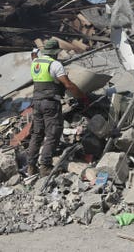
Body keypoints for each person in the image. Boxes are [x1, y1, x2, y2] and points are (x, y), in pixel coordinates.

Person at [27, 39, 89, 176]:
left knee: (37, 134)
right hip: (50, 104)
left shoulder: (35, 62)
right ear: (55, 52)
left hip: (36, 103)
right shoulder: (55, 65)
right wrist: (82, 97)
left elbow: (34, 58)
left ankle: (31, 166)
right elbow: (68, 85)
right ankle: (45, 166)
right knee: (52, 134)